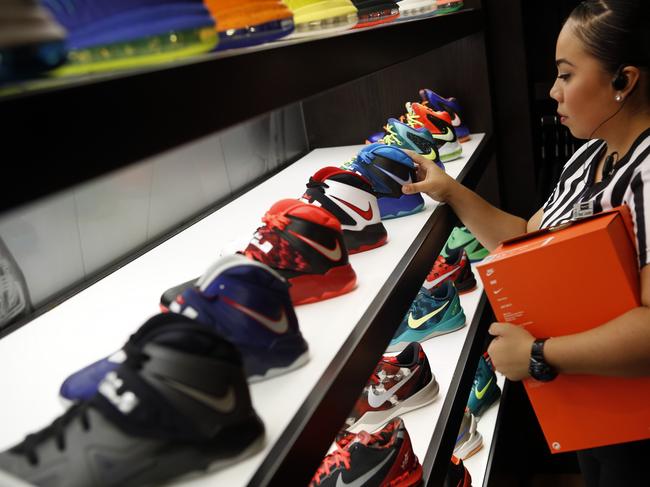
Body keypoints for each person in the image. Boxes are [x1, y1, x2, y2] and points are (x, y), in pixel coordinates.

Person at [401, 1, 650, 485]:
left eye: (566, 75)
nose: (554, 91)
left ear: (624, 81)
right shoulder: (589, 158)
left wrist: (540, 354)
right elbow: (524, 237)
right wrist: (449, 189)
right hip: (593, 403)